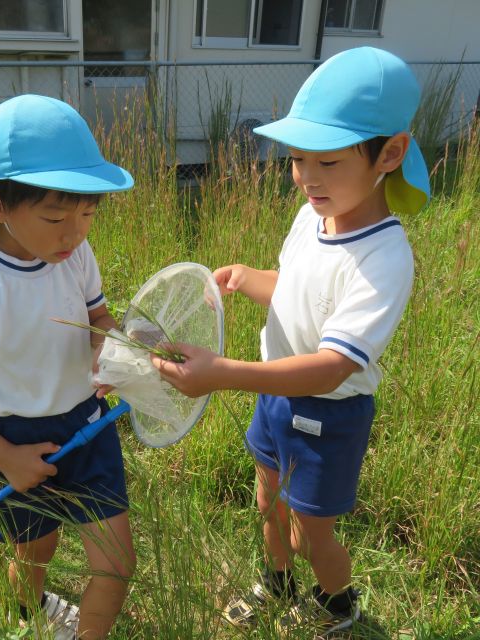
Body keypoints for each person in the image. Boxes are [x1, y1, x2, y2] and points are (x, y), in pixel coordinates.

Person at [152, 47, 430, 636]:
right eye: (297, 159)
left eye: (326, 161)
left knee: (311, 530)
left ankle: (340, 605)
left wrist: (224, 372)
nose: (305, 177)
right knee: (267, 499)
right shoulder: (315, 214)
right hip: (275, 395)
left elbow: (331, 367)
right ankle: (276, 582)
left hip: (329, 414)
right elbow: (303, 288)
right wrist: (249, 279)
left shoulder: (384, 258)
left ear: (390, 153)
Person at [0, 94, 136, 640]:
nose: (75, 233)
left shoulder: (76, 256)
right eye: (56, 216)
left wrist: (119, 352)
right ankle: (30, 614)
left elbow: (99, 320)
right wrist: (3, 456)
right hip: (12, 438)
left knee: (116, 563)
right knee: (34, 553)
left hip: (89, 425)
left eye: (88, 213)